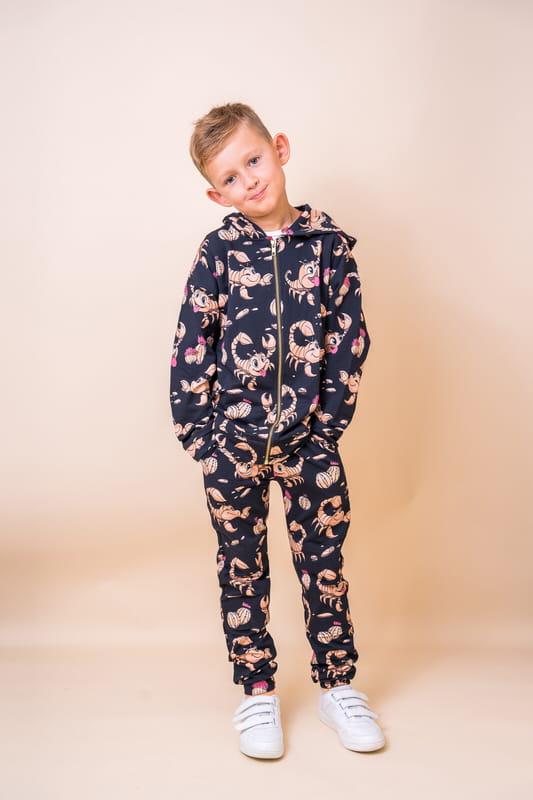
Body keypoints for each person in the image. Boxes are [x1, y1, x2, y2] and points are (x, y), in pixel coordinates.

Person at [169, 103, 385, 759]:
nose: (250, 181)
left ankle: (337, 685)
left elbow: (349, 341)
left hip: (309, 447)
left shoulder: (329, 248)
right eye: (230, 178)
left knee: (325, 566)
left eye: (254, 160)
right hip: (232, 447)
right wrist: (202, 439)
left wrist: (326, 430)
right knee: (241, 570)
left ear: (280, 149)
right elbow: (191, 344)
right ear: (217, 195)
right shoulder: (217, 253)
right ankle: (257, 691)